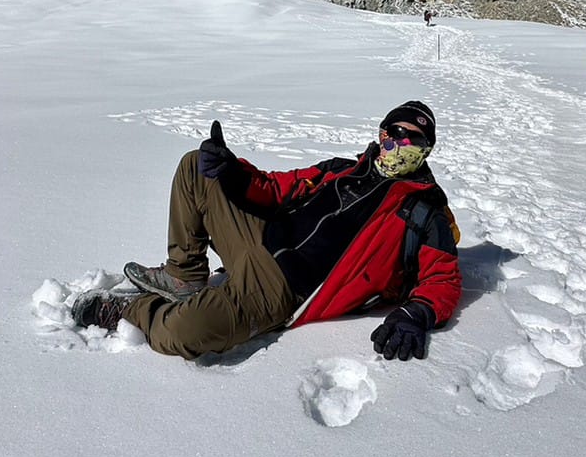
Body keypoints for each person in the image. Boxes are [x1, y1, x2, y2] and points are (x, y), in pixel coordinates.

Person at [71, 101, 461, 361]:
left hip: (281, 289)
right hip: (258, 238)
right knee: (196, 166)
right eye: (393, 133)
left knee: (187, 330)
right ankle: (184, 276)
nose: (399, 144)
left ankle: (128, 310)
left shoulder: (424, 211)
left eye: (412, 139)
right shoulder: (340, 169)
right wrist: (231, 170)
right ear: (381, 135)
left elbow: (442, 278)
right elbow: (276, 188)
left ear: (426, 150)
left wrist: (417, 313)